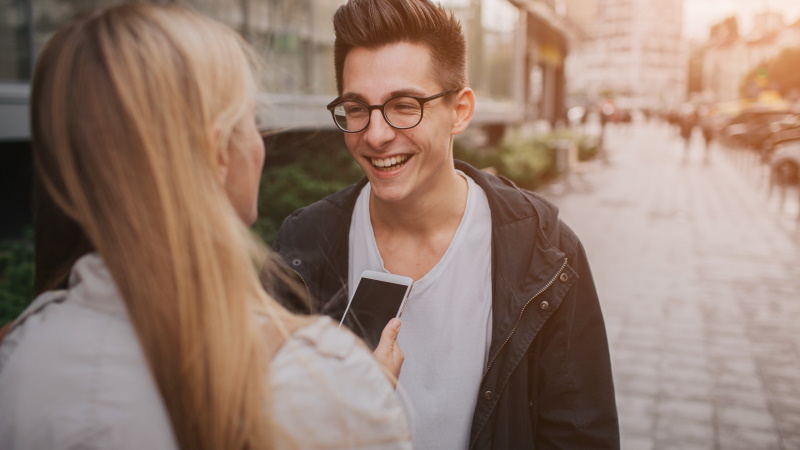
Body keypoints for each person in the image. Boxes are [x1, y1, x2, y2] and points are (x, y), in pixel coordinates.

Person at [0, 4, 411, 449]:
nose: (376, 134)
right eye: (251, 122)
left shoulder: (19, 357)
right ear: (217, 151)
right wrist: (357, 403)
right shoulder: (319, 379)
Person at [272, 0, 619, 448]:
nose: (375, 135)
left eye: (404, 105)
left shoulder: (545, 252)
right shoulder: (303, 246)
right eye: (356, 108)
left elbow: (581, 436)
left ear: (460, 110)